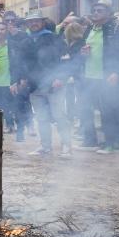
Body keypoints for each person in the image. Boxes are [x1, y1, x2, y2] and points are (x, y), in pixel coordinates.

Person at [22, 11, 70, 156]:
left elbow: (65, 59)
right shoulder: (26, 41)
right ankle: (45, 146)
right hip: (35, 86)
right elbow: (23, 63)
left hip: (54, 84)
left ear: (43, 22)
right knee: (41, 117)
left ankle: (67, 146)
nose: (33, 24)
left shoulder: (54, 38)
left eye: (36, 21)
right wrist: (22, 79)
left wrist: (60, 78)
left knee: (59, 115)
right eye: (30, 22)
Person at [77, 2, 119, 153]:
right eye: (94, 10)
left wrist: (116, 72)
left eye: (99, 11)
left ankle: (110, 143)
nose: (95, 13)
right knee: (85, 107)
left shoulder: (115, 29)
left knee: (107, 110)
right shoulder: (89, 28)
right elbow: (82, 49)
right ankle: (90, 141)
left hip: (107, 76)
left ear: (108, 13)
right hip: (89, 76)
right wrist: (83, 53)